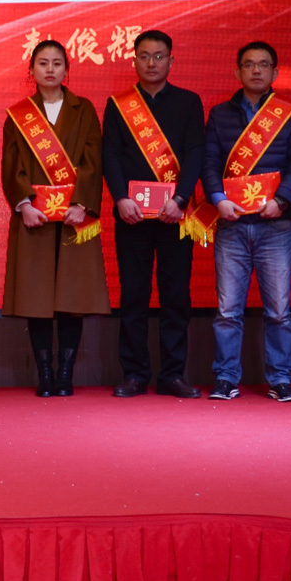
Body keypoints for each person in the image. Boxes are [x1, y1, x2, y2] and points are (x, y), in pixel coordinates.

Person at [200, 41, 291, 401]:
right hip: (231, 224)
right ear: (238, 72)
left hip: (275, 226)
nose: (257, 70)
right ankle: (225, 377)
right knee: (227, 310)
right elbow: (209, 164)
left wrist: (282, 200)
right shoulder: (220, 114)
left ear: (275, 72)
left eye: (264, 64)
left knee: (278, 310)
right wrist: (218, 199)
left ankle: (280, 378)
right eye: (249, 64)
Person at [100, 29, 204, 398]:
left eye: (159, 56)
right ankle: (134, 374)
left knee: (175, 296)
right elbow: (110, 154)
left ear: (171, 61)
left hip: (175, 214)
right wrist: (119, 198)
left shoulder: (189, 102)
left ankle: (173, 375)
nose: (151, 63)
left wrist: (182, 199)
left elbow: (195, 152)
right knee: (134, 295)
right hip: (132, 215)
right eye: (144, 56)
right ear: (134, 61)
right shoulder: (119, 104)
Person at [1, 40, 107, 396]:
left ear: (67, 69)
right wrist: (25, 205)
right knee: (37, 298)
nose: (50, 69)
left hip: (76, 217)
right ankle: (44, 374)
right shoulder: (19, 114)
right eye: (43, 63)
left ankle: (65, 374)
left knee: (73, 298)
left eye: (57, 63)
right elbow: (11, 164)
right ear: (31, 70)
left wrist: (82, 204)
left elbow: (93, 161)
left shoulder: (84, 109)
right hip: (35, 218)